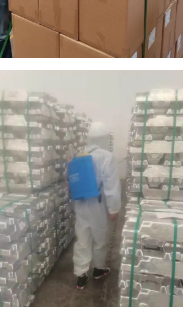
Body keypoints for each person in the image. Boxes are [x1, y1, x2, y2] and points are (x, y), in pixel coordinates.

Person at [71, 122, 120, 289]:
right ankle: (98, 269)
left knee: (82, 237)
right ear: (104, 138)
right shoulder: (107, 156)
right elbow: (111, 186)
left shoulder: (79, 154)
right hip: (97, 203)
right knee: (100, 237)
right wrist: (114, 208)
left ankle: (81, 275)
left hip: (81, 202)